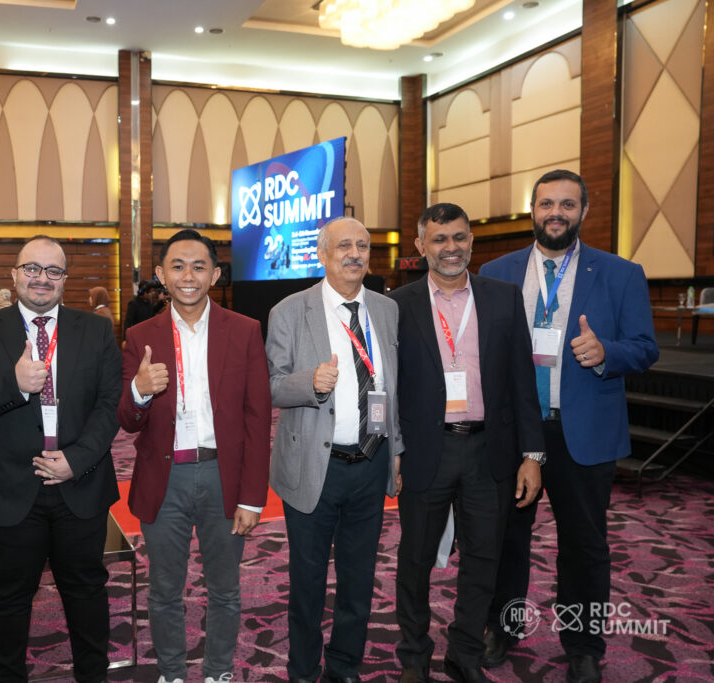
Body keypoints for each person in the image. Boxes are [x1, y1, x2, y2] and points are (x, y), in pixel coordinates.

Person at [479, 170, 659, 683]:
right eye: (546, 204)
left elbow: (645, 347)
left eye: (567, 204)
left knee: (584, 545)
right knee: (505, 538)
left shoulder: (621, 273)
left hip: (582, 432)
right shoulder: (495, 272)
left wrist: (607, 352)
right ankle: (503, 625)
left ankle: (583, 643)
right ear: (532, 209)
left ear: (583, 211)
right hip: (515, 432)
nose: (555, 213)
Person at [0, 235, 121, 683]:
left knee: (86, 592)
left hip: (79, 484)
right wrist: (13, 383)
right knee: (8, 598)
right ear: (14, 275)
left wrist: (77, 459)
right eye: (32, 268)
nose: (41, 278)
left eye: (53, 271)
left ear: (65, 279)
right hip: (9, 488)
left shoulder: (96, 330)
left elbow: (110, 406)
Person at [389, 203, 544, 683]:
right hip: (425, 451)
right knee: (415, 560)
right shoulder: (397, 304)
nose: (450, 248)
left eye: (459, 237)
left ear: (471, 241)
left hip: (489, 451)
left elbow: (522, 381)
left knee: (483, 559)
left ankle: (465, 653)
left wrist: (532, 455)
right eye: (439, 239)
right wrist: (393, 450)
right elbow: (389, 387)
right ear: (421, 246)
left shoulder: (503, 298)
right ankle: (414, 657)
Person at [118, 229, 272, 683]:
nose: (189, 276)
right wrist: (139, 391)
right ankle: (171, 672)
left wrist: (252, 496)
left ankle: (218, 671)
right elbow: (127, 420)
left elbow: (257, 418)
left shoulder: (244, 330)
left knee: (224, 588)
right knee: (165, 589)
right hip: (165, 480)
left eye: (199, 266)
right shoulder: (140, 336)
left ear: (215, 275)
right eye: (178, 266)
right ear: (162, 274)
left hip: (224, 475)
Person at [266, 216, 404, 683]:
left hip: (371, 462)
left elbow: (391, 387)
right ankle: (303, 670)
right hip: (314, 466)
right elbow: (271, 386)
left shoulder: (386, 309)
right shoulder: (289, 310)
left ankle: (345, 665)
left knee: (359, 577)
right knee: (307, 581)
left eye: (363, 246)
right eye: (344, 245)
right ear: (322, 254)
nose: (355, 254)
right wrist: (311, 382)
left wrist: (396, 450)